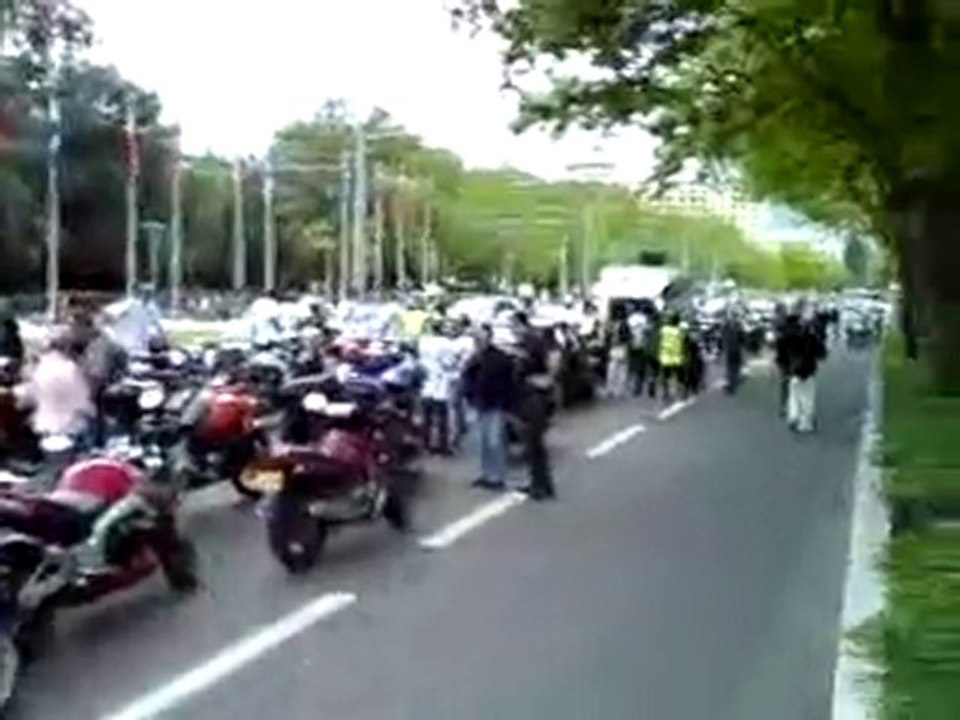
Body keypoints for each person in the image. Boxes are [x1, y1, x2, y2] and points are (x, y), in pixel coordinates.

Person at [462, 324, 516, 491]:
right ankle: (486, 474)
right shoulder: (474, 358)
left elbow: (509, 382)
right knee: (482, 443)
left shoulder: (500, 358)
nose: (478, 341)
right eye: (476, 339)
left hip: (495, 404)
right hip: (479, 404)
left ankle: (497, 477)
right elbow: (467, 377)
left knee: (495, 442)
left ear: (488, 338)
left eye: (481, 338)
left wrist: (507, 403)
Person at [18, 333, 95, 444]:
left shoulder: (38, 369)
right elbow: (82, 399)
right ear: (66, 348)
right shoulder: (71, 368)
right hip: (71, 426)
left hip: (43, 425)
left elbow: (27, 398)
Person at [778, 305, 827, 433]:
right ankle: (806, 423)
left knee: (794, 395)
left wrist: (784, 367)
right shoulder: (810, 335)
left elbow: (781, 356)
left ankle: (794, 416)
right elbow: (821, 352)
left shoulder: (784, 336)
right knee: (808, 397)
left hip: (793, 370)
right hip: (808, 370)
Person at [418, 319, 457, 455]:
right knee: (442, 419)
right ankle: (443, 446)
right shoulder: (446, 344)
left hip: (427, 384)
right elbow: (449, 362)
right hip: (441, 385)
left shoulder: (423, 342)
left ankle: (426, 445)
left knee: (427, 418)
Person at [605, 307, 631, 399]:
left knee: (612, 370)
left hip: (614, 349)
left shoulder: (612, 325)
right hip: (622, 348)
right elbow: (628, 338)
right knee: (622, 370)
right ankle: (619, 391)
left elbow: (607, 337)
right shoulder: (626, 325)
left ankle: (610, 390)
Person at [658, 313, 684, 402]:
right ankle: (674, 393)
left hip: (665, 356)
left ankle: (665, 393)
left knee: (665, 376)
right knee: (675, 376)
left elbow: (660, 340)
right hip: (676, 357)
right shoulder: (679, 331)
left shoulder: (664, 329)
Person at [720, 306, 747, 394]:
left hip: (731, 349)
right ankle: (732, 384)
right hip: (736, 349)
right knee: (735, 368)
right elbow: (743, 338)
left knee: (731, 368)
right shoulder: (739, 325)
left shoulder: (727, 325)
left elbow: (723, 335)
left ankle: (732, 385)